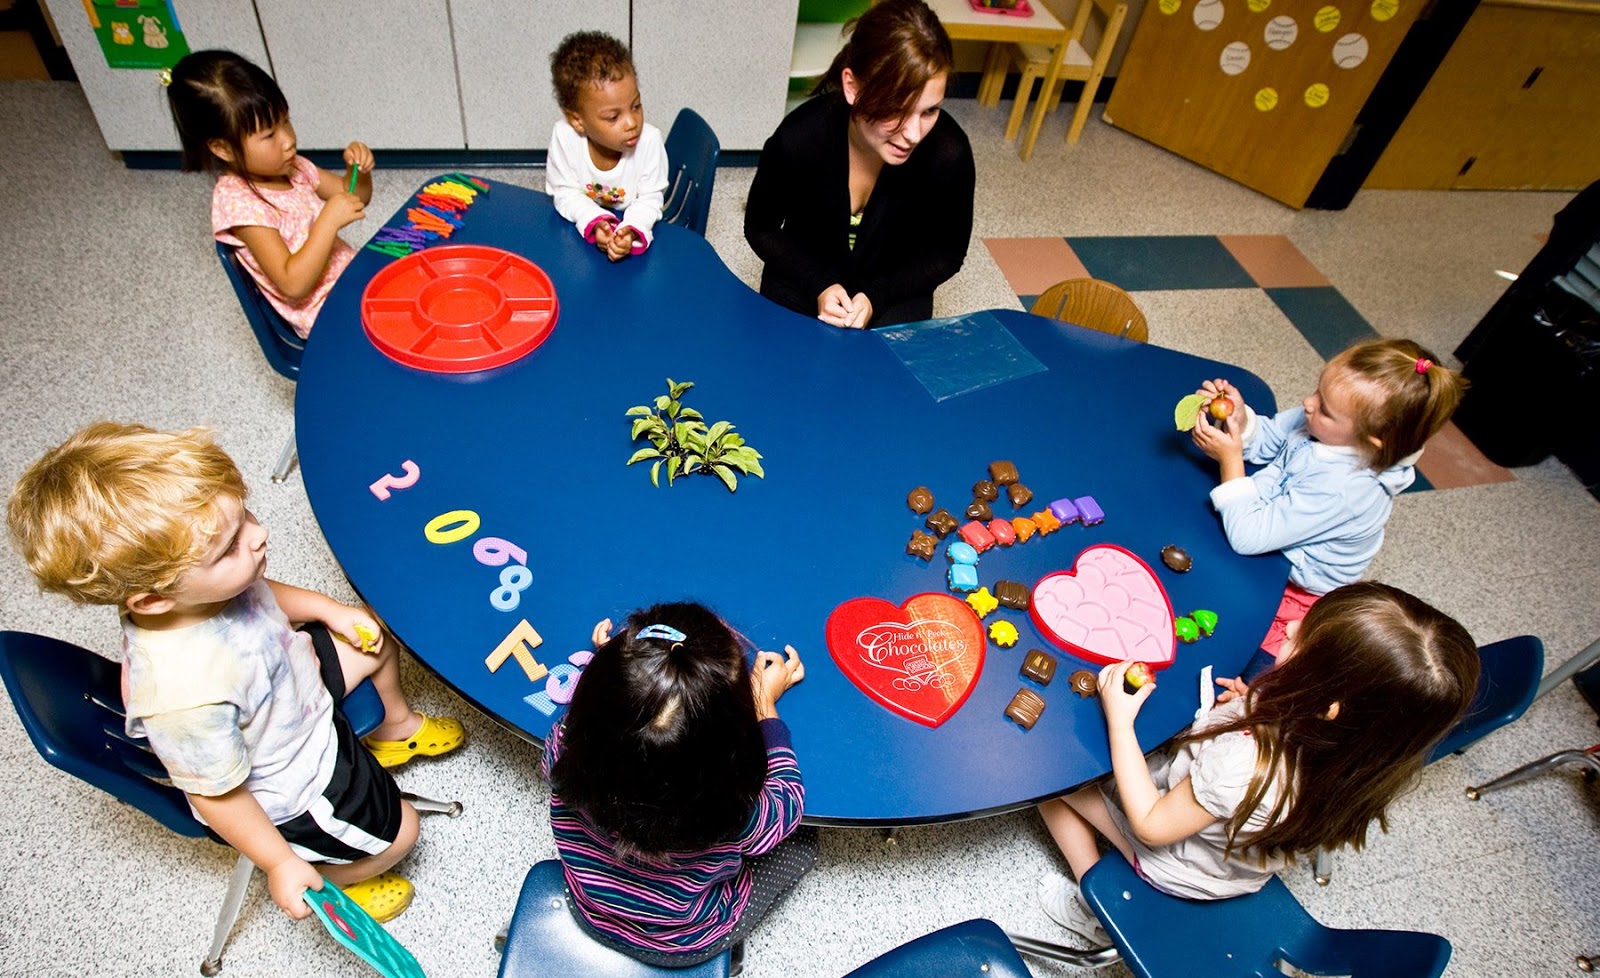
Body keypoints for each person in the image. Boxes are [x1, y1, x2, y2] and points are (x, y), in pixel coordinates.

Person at [6, 422, 465, 922]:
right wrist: (280, 862)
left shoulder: (196, 590)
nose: (259, 534)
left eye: (244, 514)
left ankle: (395, 730)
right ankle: (338, 883)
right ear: (153, 601)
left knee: (373, 636)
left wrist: (329, 610)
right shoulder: (186, 698)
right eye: (229, 547)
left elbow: (259, 597)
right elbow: (218, 796)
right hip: (293, 777)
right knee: (404, 832)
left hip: (288, 684)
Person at [1037, 582, 1480, 944]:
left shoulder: (1242, 767)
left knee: (1052, 780)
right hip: (1227, 858)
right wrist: (1254, 703)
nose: (1291, 625)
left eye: (1302, 640)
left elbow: (1152, 824)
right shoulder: (1362, 754)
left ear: (1326, 705)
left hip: (1172, 860)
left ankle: (1094, 903)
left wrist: (1120, 721)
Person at [545, 603, 816, 967]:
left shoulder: (563, 749)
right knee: (804, 842)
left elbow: (616, 730)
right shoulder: (733, 812)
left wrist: (625, 679)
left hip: (590, 909)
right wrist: (764, 704)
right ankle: (725, 950)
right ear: (728, 751)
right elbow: (789, 803)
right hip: (686, 942)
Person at [1190, 338, 1467, 679]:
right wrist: (1242, 422)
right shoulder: (1328, 426)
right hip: (1270, 526)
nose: (1308, 404)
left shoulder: (1345, 490)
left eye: (1325, 409)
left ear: (1370, 440)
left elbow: (1248, 537)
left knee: (1241, 662)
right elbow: (1275, 441)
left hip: (1294, 589)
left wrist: (1230, 460)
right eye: (1317, 391)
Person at [745, 0, 975, 329]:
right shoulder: (799, 138)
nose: (913, 134)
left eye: (929, 110)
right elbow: (761, 228)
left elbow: (947, 254)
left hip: (894, 287)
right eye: (896, 109)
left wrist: (876, 295)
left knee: (885, 362)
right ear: (852, 87)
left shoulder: (949, 155)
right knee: (776, 352)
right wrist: (818, 284)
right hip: (804, 273)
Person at [167, 49, 372, 339]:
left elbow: (356, 198)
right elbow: (292, 284)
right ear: (222, 148)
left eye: (286, 121)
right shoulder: (240, 204)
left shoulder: (292, 166)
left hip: (353, 279)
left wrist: (358, 172)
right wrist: (327, 222)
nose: (288, 141)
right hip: (326, 315)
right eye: (269, 135)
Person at [546, 31, 668, 262]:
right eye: (613, 117)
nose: (632, 123)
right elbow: (563, 191)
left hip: (636, 242)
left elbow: (650, 198)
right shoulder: (565, 136)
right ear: (578, 121)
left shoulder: (649, 141)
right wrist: (594, 220)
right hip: (582, 246)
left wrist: (631, 230)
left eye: (636, 106)